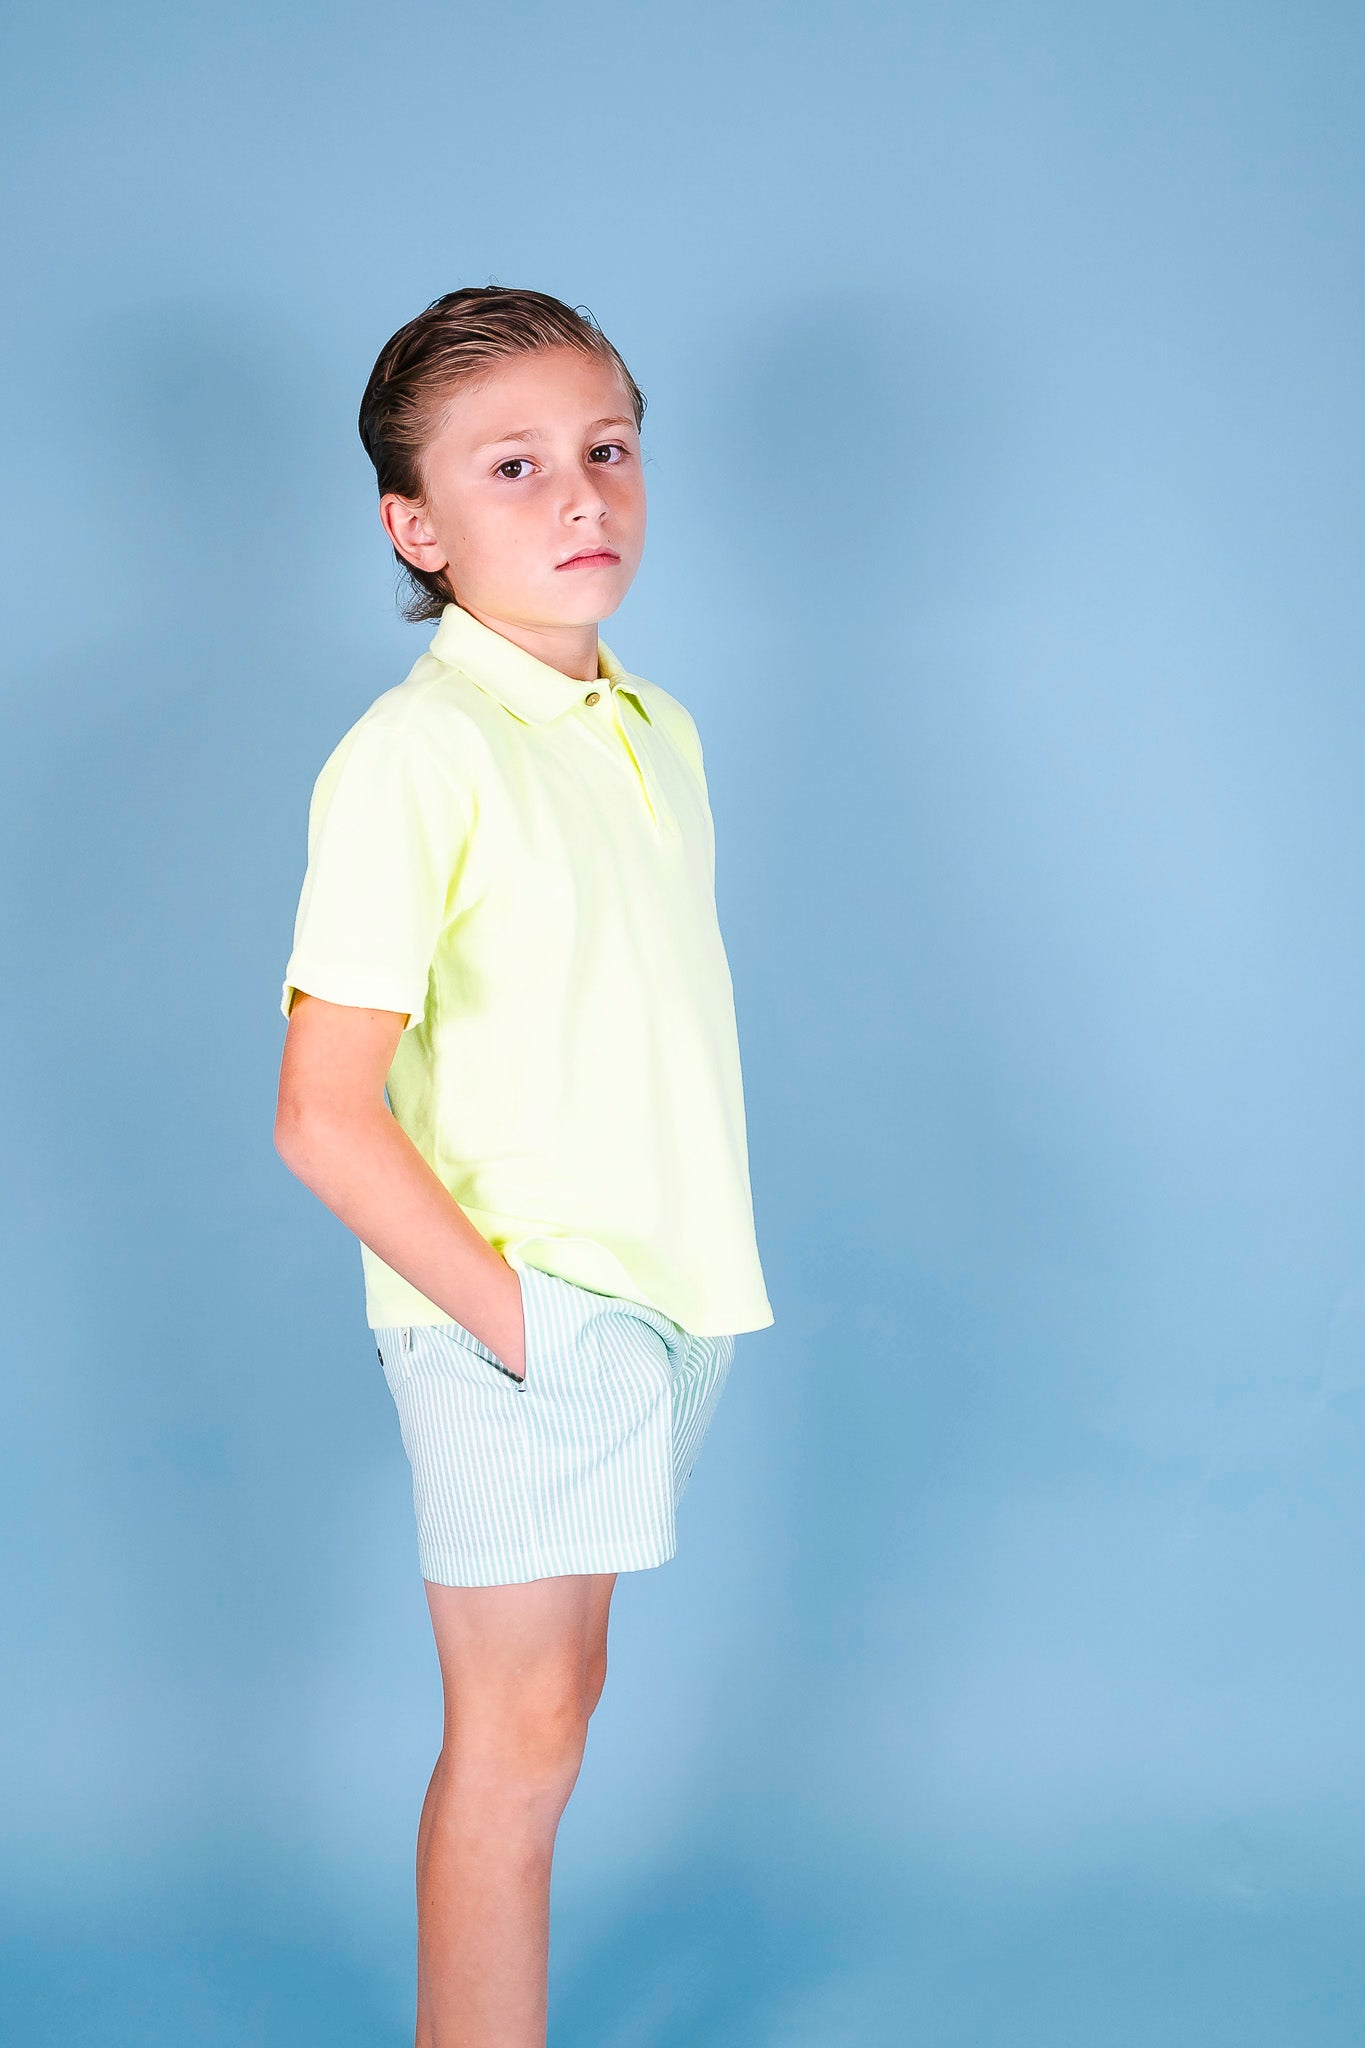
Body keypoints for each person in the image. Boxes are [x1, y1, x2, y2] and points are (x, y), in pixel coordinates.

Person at [273, 285, 774, 2048]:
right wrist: (521, 1328)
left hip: (659, 1307)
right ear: (414, 526)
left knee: (554, 1718)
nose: (579, 496)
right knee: (512, 1741)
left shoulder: (654, 727)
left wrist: (626, 1328)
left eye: (605, 449)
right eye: (512, 467)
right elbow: (321, 1111)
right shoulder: (417, 755)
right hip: (525, 1323)